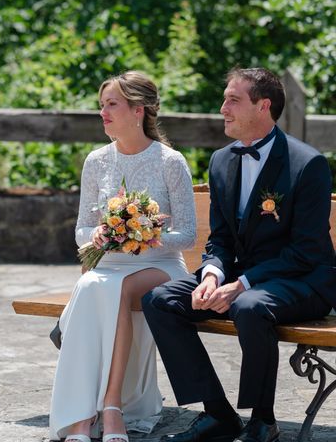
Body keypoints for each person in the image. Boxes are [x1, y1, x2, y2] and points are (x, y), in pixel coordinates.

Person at [142, 67, 336, 442]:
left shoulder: (306, 164)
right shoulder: (221, 161)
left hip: (303, 280)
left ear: (263, 106)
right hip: (241, 279)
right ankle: (217, 414)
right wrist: (213, 274)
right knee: (161, 299)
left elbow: (307, 250)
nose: (223, 108)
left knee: (249, 306)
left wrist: (240, 284)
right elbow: (220, 239)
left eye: (233, 100)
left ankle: (263, 421)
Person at [49, 71, 196, 442]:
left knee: (110, 288)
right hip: (109, 265)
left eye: (111, 104)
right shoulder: (96, 161)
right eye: (101, 105)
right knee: (92, 284)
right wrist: (98, 234)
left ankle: (111, 406)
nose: (103, 113)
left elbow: (188, 236)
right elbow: (81, 230)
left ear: (138, 110)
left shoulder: (170, 161)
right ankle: (81, 418)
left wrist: (147, 235)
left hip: (160, 267)